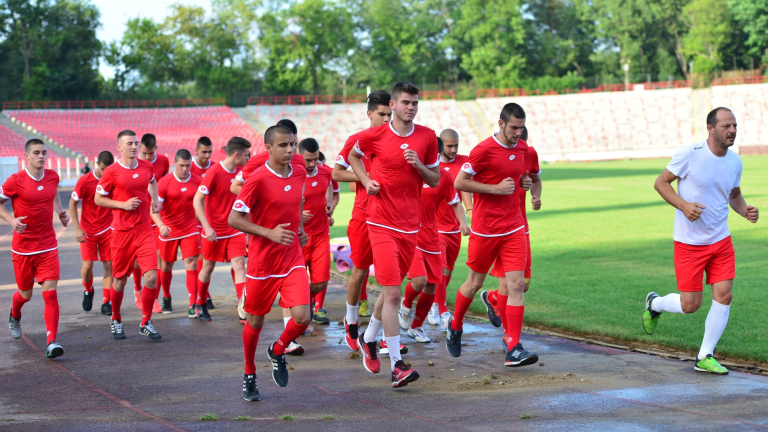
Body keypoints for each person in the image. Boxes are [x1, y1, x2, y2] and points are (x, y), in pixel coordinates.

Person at [643, 107, 758, 375]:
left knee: (724, 295)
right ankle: (654, 304)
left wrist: (745, 210)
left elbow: (733, 194)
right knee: (690, 305)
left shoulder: (735, 161)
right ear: (710, 128)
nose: (732, 131)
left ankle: (704, 355)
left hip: (721, 240)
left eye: (734, 126)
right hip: (689, 243)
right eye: (726, 126)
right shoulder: (689, 155)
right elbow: (661, 183)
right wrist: (683, 206)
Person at [348, 82, 440, 388]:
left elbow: (435, 178)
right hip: (381, 224)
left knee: (392, 292)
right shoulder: (375, 134)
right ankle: (396, 365)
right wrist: (366, 180)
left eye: (415, 103)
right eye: (405, 102)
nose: (411, 107)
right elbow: (353, 156)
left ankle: (369, 338)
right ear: (394, 104)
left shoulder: (427, 137)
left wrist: (419, 166)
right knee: (393, 295)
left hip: (410, 226)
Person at [446, 103, 536, 368]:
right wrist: (494, 189)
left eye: (521, 128)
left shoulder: (523, 149)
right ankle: (456, 324)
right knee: (474, 283)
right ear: (501, 123)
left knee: (517, 285)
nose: (518, 133)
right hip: (486, 230)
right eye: (513, 127)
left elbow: (516, 177)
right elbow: (459, 183)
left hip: (514, 228)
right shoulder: (484, 150)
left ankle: (514, 347)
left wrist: (525, 184)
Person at [229, 124, 310, 401]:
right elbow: (234, 219)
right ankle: (249, 372)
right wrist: (269, 233)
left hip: (292, 257)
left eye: (292, 144)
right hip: (262, 263)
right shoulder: (257, 179)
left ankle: (278, 349)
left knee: (302, 317)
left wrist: (300, 228)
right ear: (268, 148)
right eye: (283, 145)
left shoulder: (299, 170)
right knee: (255, 321)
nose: (290, 150)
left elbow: (297, 199)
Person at [332, 90, 392, 350]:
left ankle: (381, 335)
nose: (386, 119)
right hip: (363, 217)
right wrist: (364, 177)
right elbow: (336, 173)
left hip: (391, 219)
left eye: (390, 115)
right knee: (359, 273)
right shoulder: (358, 140)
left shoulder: (398, 140)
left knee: (390, 281)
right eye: (381, 114)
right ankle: (352, 321)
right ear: (369, 114)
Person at [2, 138, 70, 358]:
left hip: (48, 245)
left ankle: (52, 342)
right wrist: (11, 221)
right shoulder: (16, 181)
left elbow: (55, 193)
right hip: (23, 249)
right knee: (25, 294)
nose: (41, 156)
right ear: (27, 156)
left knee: (50, 294)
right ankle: (15, 314)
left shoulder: (52, 176)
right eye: (36, 153)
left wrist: (59, 211)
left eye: (44, 153)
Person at [398, 136, 469, 343]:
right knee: (419, 279)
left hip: (432, 234)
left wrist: (463, 222)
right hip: (411, 234)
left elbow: (455, 202)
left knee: (432, 284)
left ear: (436, 156)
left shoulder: (444, 177)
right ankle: (406, 303)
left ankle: (416, 327)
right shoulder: (409, 174)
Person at [95, 130, 163, 340]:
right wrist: (122, 205)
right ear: (120, 147)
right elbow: (98, 199)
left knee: (151, 276)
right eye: (129, 144)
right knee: (119, 281)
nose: (134, 147)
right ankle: (116, 318)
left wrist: (155, 199)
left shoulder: (146, 166)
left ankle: (146, 321)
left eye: (135, 143)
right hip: (121, 233)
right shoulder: (112, 172)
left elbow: (152, 181)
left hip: (143, 229)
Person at [482, 126, 542, 352]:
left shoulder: (530, 154)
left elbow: (536, 179)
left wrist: (535, 195)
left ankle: (493, 298)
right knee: (509, 284)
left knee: (522, 286)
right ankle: (510, 337)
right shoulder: (493, 155)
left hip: (520, 227)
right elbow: (467, 183)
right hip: (498, 229)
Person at [193, 137, 251, 322]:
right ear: (237, 155)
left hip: (235, 228)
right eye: (246, 155)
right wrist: (207, 227)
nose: (248, 158)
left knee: (239, 265)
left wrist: (249, 230)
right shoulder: (214, 172)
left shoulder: (242, 172)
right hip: (214, 230)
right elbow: (197, 200)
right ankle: (200, 303)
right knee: (208, 267)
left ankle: (243, 308)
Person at [151, 149, 203, 316]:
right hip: (169, 229)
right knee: (165, 266)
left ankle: (193, 304)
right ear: (174, 164)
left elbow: (205, 203)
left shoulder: (198, 181)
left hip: (190, 228)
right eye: (181, 166)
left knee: (192, 264)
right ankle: (166, 297)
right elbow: (154, 210)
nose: (185, 169)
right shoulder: (164, 183)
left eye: (188, 166)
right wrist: (160, 225)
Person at [431, 128, 472, 329]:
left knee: (448, 270)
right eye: (449, 146)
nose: (454, 149)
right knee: (440, 268)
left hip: (454, 226)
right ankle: (442, 309)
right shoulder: (432, 165)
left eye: (456, 145)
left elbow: (466, 188)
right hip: (435, 226)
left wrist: (468, 214)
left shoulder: (465, 162)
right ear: (442, 144)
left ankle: (431, 301)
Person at [70, 150, 115, 316]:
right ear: (97, 165)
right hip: (88, 231)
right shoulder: (85, 180)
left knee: (109, 265)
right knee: (87, 267)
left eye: (109, 169)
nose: (106, 173)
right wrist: (77, 228)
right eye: (103, 169)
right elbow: (72, 203)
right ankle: (88, 289)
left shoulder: (113, 178)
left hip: (108, 229)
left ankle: (106, 301)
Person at [297, 139, 334, 327]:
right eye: (308, 160)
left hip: (320, 235)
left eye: (315, 159)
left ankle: (307, 303)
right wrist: (296, 214)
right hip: (298, 237)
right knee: (297, 282)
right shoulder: (291, 175)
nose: (312, 164)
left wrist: (330, 208)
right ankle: (298, 311)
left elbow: (333, 193)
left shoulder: (327, 172)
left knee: (321, 281)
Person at [132, 133, 170, 313]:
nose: (147, 157)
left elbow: (164, 184)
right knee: (138, 262)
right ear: (139, 150)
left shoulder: (163, 161)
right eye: (144, 153)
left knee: (158, 261)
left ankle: (154, 298)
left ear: (156, 149)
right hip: (137, 219)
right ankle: (138, 289)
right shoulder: (133, 163)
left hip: (156, 217)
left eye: (151, 153)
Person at [191, 137, 214, 282]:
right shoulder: (189, 167)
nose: (207, 155)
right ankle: (202, 294)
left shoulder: (215, 167)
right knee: (198, 255)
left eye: (210, 152)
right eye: (204, 152)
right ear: (196, 151)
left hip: (209, 217)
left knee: (206, 256)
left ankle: (203, 292)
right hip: (192, 219)